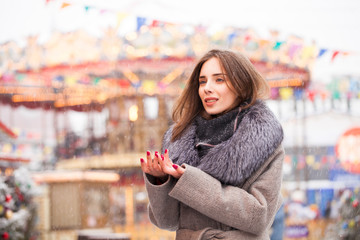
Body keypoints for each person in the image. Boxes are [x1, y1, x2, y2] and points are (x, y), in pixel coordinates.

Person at [140, 49, 285, 240]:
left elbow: (260, 216)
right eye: (202, 81)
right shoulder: (180, 140)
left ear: (241, 85)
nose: (207, 88)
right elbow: (167, 221)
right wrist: (160, 181)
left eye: (219, 80)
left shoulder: (264, 140)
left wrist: (190, 180)